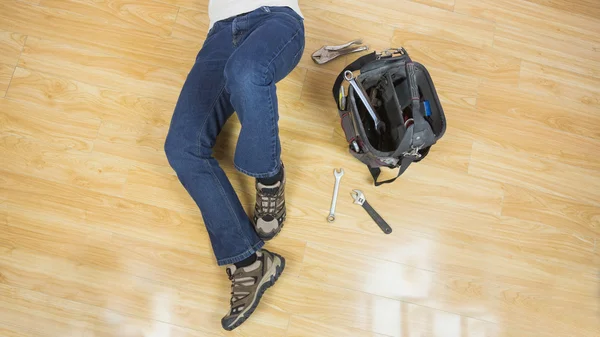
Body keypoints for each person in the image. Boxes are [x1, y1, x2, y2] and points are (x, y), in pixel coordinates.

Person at [164, 0, 305, 331]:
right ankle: (249, 262)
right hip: (219, 36)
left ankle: (269, 179)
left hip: (275, 21)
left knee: (247, 71)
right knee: (180, 148)